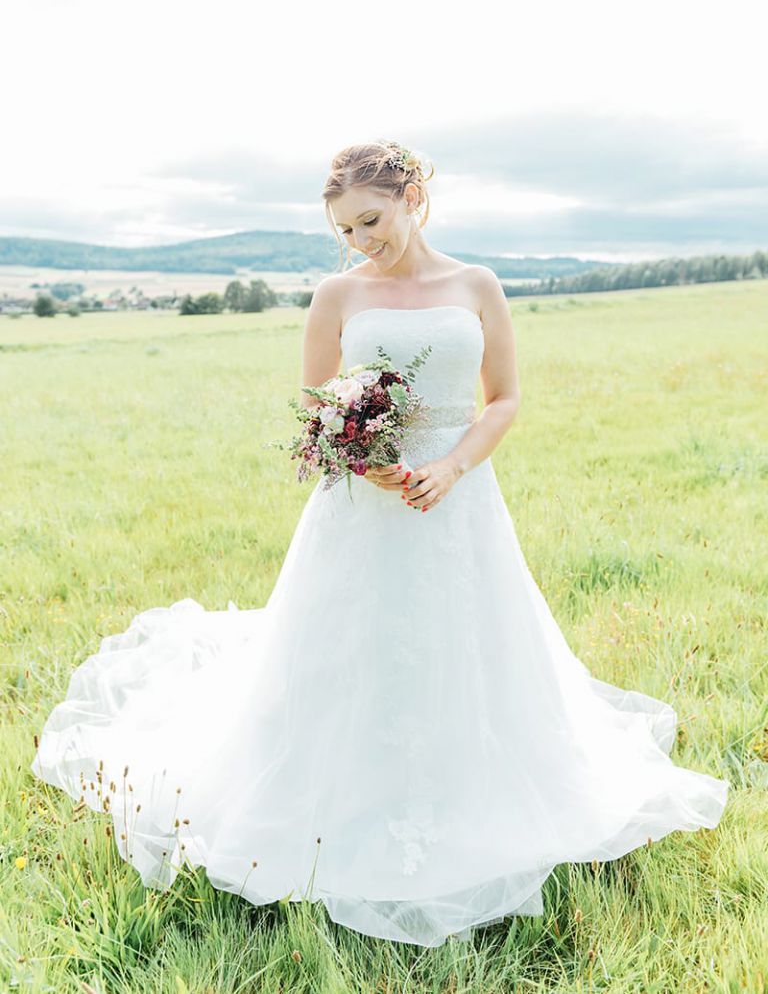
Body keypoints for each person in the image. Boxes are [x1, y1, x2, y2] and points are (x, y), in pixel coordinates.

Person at [31, 138, 729, 948]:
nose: (363, 240)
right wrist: (364, 458)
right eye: (347, 230)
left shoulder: (477, 285)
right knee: (349, 655)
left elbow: (501, 399)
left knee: (466, 650)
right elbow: (314, 403)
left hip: (459, 504)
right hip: (361, 506)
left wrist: (454, 466)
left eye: (372, 220)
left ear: (412, 197)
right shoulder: (336, 295)